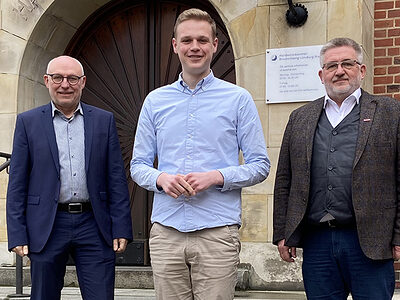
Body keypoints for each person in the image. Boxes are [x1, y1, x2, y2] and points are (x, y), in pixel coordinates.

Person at [130, 8, 270, 300]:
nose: (195, 47)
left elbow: (260, 165)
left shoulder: (238, 99)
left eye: (203, 40)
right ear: (175, 46)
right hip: (166, 231)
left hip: (217, 232)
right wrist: (161, 179)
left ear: (215, 45)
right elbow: (138, 165)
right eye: (187, 40)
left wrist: (217, 177)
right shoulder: (155, 101)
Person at [273, 37, 400, 299]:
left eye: (347, 63)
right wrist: (282, 233)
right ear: (321, 74)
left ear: (362, 70)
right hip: (317, 242)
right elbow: (284, 179)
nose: (339, 71)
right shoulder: (300, 118)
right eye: (331, 66)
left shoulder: (390, 112)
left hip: (370, 240)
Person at [6, 55, 133, 300]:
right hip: (47, 226)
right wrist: (17, 233)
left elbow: (115, 178)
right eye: (58, 78)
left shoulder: (103, 121)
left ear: (83, 82)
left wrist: (121, 227)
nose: (65, 84)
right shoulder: (28, 122)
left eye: (72, 78)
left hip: (94, 224)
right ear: (46, 80)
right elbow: (17, 184)